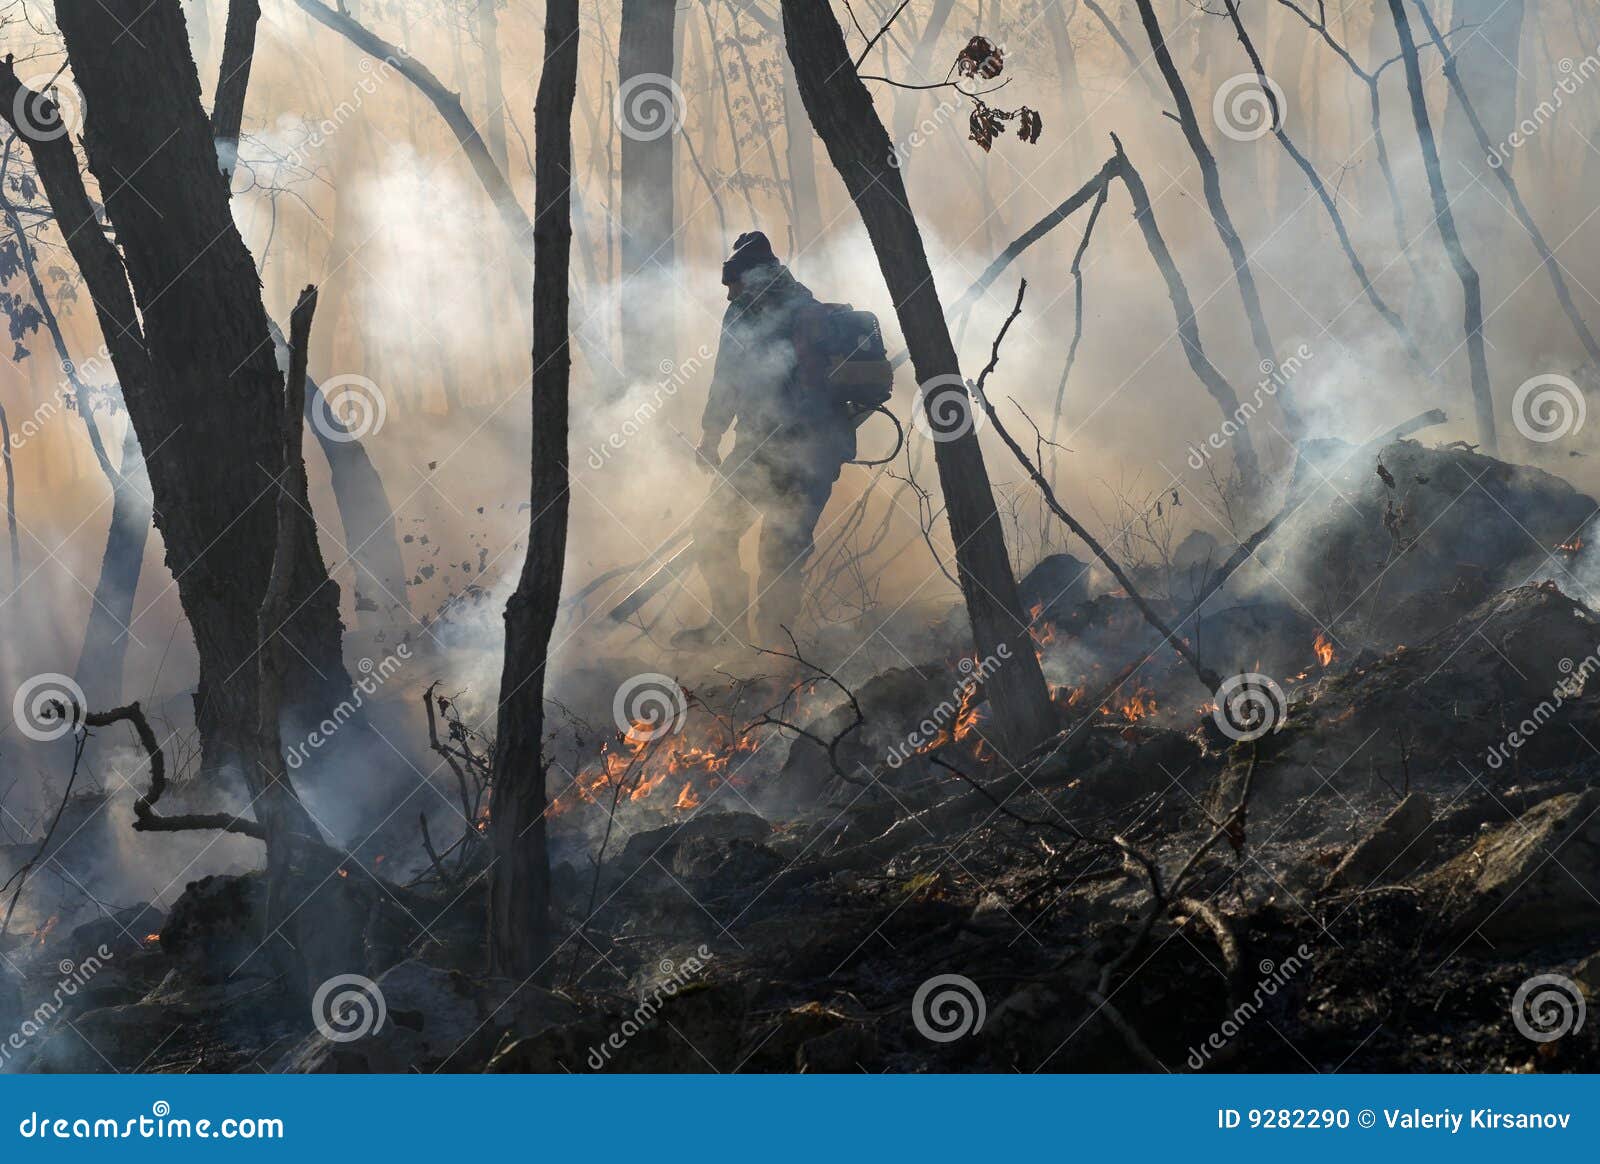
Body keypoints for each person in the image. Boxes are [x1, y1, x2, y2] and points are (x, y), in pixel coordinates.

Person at [672, 232, 867, 648]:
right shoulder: (794, 306)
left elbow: (727, 377)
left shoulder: (760, 314)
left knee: (748, 542)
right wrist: (716, 434)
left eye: (733, 286)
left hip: (787, 451)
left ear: (752, 281)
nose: (729, 296)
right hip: (791, 449)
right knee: (753, 543)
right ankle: (755, 644)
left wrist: (711, 436)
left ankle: (753, 645)